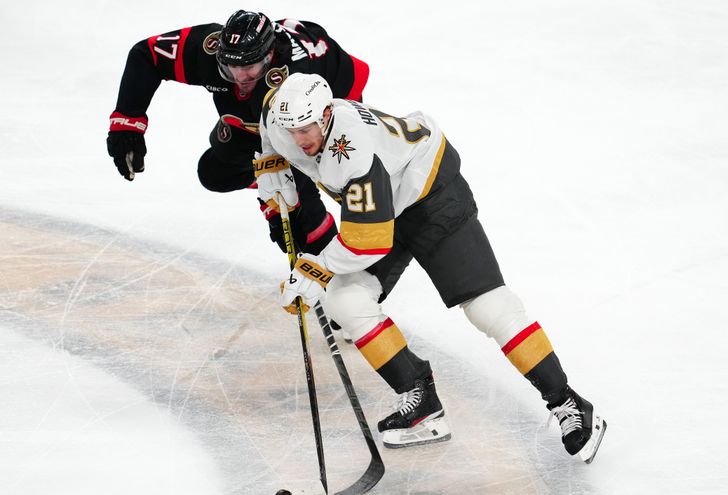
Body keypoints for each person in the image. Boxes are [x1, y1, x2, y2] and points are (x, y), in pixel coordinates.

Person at [256, 73, 607, 463]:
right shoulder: (280, 119)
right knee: (346, 300)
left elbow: (368, 240)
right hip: (384, 206)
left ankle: (568, 402)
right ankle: (422, 400)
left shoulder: (352, 150)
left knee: (488, 308)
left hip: (432, 196)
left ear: (326, 115)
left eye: (306, 128)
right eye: (292, 129)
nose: (300, 139)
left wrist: (313, 270)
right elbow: (270, 119)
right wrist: (271, 167)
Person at [106, 10, 369, 255]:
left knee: (305, 213)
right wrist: (127, 124)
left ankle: (346, 289)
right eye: (231, 67)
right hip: (262, 118)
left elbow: (291, 150)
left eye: (248, 67)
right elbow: (147, 55)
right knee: (214, 172)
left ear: (269, 57)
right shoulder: (209, 49)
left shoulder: (290, 84)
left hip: (332, 103)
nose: (240, 77)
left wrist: (279, 205)